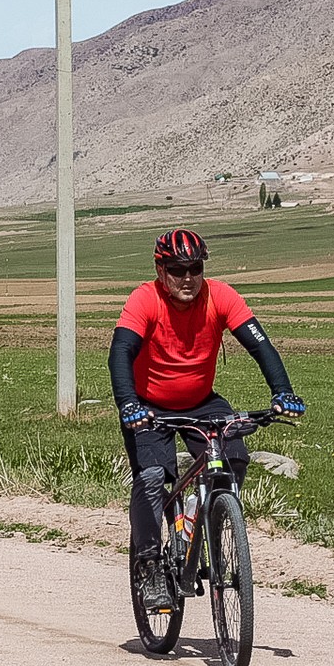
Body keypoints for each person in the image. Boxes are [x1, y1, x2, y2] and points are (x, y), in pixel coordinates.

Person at [110, 229, 306, 614]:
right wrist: (128, 404)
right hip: (148, 406)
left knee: (234, 458)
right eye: (177, 269)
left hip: (201, 402)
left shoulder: (221, 296)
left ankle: (208, 519)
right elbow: (121, 353)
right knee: (151, 478)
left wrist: (283, 392)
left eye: (195, 268)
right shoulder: (143, 300)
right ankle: (149, 567)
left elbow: (259, 344)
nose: (188, 278)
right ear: (160, 270)